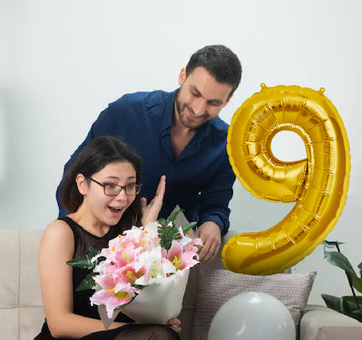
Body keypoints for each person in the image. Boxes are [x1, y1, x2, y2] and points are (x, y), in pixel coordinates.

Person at [27, 136, 218, 340]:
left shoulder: (130, 235)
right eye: (110, 185)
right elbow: (59, 323)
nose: (122, 196)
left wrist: (148, 229)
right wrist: (140, 332)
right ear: (82, 184)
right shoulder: (61, 232)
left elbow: (142, 304)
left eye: (130, 186)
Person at [57, 44, 242, 263]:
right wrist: (75, 238)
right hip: (95, 241)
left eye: (213, 103)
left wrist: (213, 223)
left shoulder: (226, 144)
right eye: (195, 93)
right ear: (182, 76)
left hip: (157, 254)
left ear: (227, 100)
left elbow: (216, 203)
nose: (198, 109)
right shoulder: (126, 112)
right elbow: (75, 174)